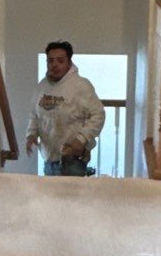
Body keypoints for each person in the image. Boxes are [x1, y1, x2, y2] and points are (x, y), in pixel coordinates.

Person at [25, 41, 106, 176]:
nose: (55, 64)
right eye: (50, 61)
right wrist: (31, 134)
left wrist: (81, 139)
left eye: (60, 61)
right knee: (51, 196)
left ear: (69, 63)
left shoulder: (81, 85)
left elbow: (98, 114)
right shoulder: (42, 87)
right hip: (49, 160)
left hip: (74, 161)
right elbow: (35, 114)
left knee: (72, 197)